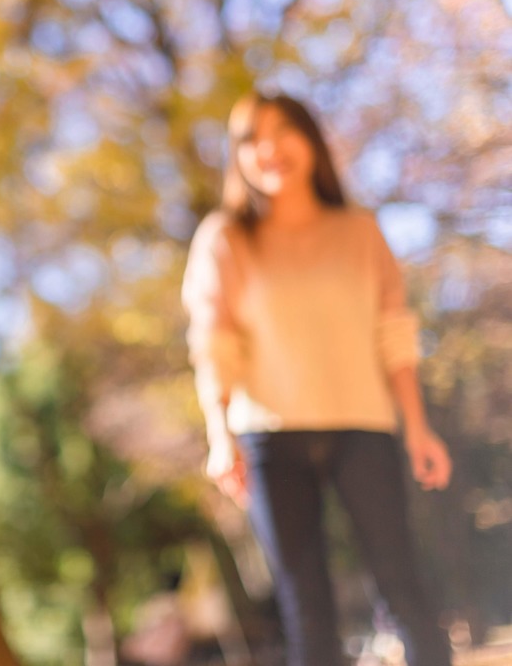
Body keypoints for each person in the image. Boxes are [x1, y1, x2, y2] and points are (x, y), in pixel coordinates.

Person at [181, 92, 454, 666]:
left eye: (284, 131)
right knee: (306, 604)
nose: (270, 148)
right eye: (251, 139)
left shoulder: (360, 232)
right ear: (239, 157)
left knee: (402, 582)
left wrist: (419, 428)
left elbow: (394, 335)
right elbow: (214, 347)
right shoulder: (225, 239)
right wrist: (219, 432)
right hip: (269, 438)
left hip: (363, 426)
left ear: (311, 141)